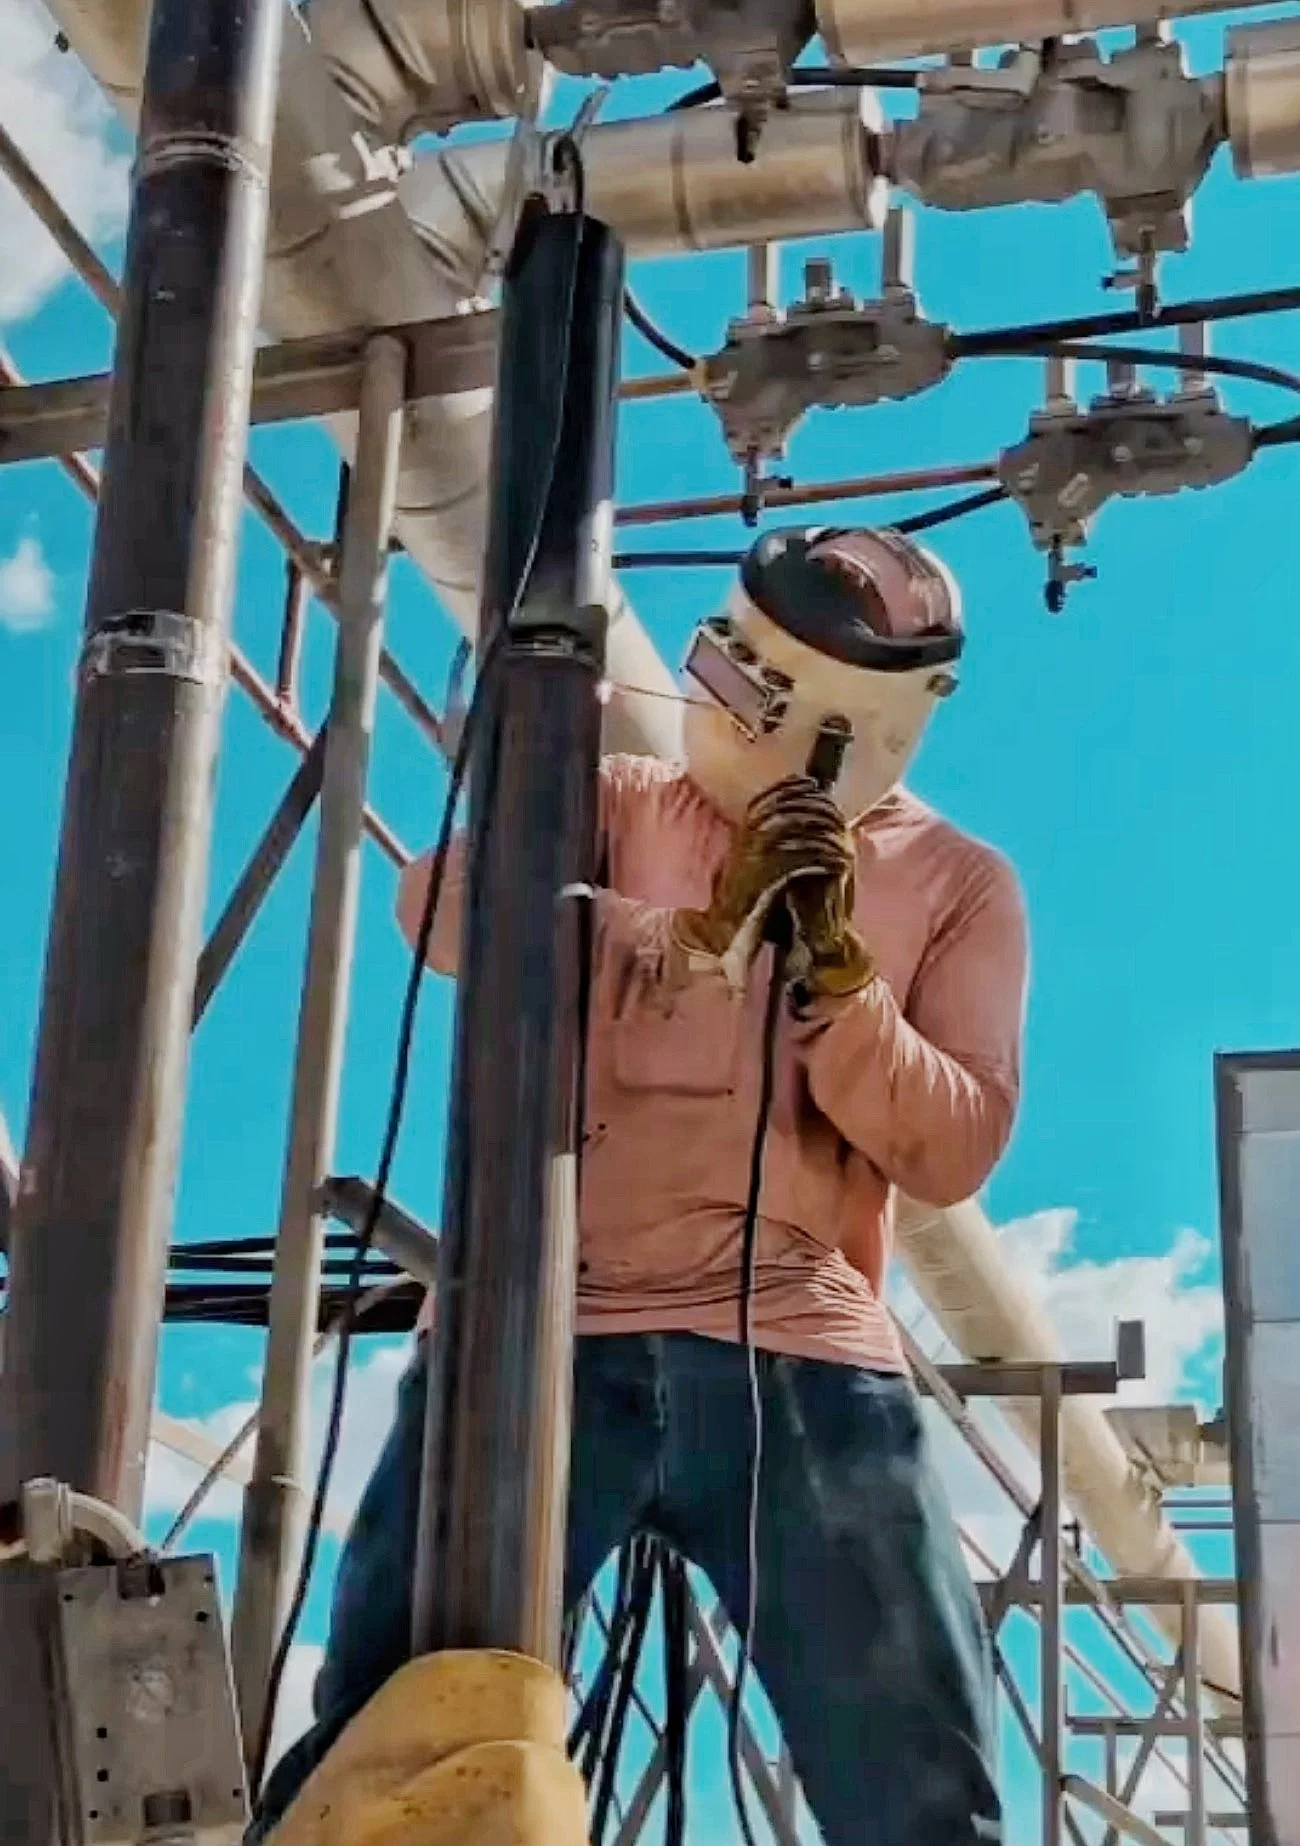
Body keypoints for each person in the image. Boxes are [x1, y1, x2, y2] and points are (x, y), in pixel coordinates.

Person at [253, 525, 1028, 1846]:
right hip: (534, 1324)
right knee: (388, 1757)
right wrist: (690, 933)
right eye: (716, 665)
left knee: (919, 1795)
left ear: (859, 722)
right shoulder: (610, 798)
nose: (712, 694)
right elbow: (439, 910)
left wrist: (837, 977)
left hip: (801, 1359)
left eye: (748, 688)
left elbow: (953, 1143)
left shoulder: (956, 884)